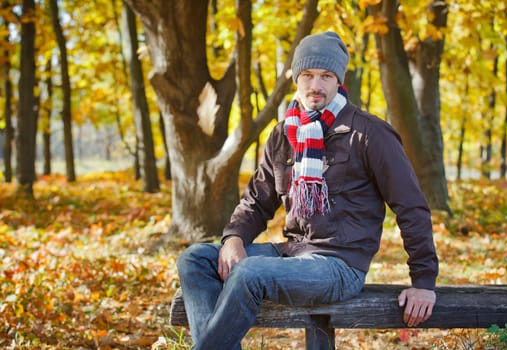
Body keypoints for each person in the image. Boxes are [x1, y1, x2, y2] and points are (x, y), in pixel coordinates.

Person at [176, 31, 439, 350]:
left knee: (249, 272)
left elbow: (411, 207)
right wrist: (233, 238)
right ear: (296, 79)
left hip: (340, 266)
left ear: (338, 80)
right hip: (294, 253)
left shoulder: (369, 133)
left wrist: (423, 283)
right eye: (308, 75)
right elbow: (257, 202)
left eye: (326, 76)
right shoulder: (284, 134)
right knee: (196, 259)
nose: (316, 85)